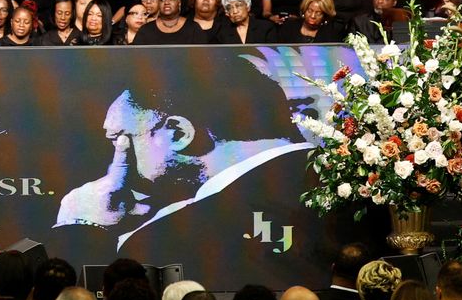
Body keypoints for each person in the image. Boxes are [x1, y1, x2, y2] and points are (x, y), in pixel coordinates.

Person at [54, 77, 312, 244]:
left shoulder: (159, 237)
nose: (117, 154)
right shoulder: (338, 178)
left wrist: (83, 225)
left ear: (177, 133)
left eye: (119, 137)